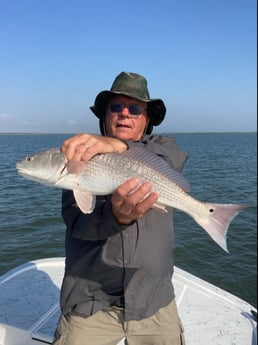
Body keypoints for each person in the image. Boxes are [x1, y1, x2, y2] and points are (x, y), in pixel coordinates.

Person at [53, 72, 188, 345]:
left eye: (135, 108)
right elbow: (78, 225)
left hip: (155, 302)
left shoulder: (164, 150)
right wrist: (116, 217)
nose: (125, 114)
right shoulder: (80, 160)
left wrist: (118, 145)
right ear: (105, 116)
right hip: (91, 303)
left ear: (147, 119)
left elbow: (170, 160)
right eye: (116, 107)